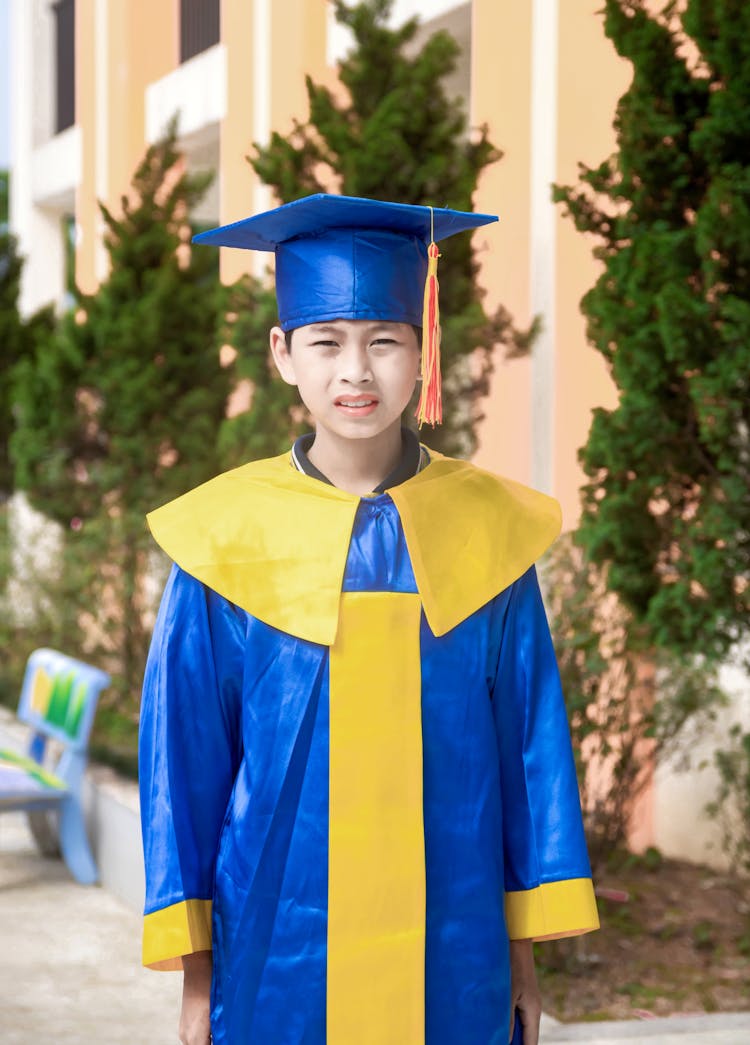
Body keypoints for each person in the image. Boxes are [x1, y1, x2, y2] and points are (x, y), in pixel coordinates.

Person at [138, 194, 599, 1045]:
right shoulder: (222, 541)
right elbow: (186, 769)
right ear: (282, 354)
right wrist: (196, 983)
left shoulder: (487, 533)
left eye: (384, 339)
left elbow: (529, 754)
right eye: (326, 341)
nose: (356, 371)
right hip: (280, 948)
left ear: (422, 350)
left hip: (453, 952)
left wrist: (524, 964)